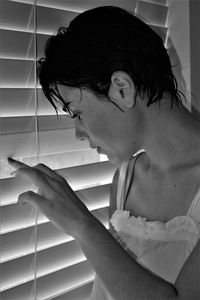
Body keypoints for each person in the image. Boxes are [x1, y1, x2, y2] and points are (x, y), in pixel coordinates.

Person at [8, 6, 200, 300]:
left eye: (78, 113)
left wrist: (82, 225)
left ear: (122, 88)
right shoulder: (125, 180)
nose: (78, 133)